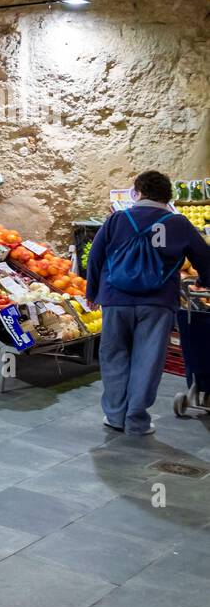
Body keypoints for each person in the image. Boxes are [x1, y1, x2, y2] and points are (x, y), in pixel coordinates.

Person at [85, 170, 210, 435]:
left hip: (116, 299)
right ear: (168, 196)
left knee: (114, 356)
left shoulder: (117, 219)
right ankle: (137, 420)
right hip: (158, 303)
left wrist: (93, 293)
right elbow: (205, 258)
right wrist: (204, 282)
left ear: (138, 192)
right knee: (148, 360)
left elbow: (95, 257)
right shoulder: (179, 223)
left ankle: (115, 416)